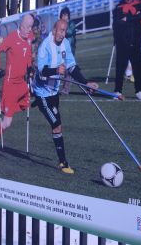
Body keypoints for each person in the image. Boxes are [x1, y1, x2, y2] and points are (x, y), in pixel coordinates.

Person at [32, 19, 98, 174]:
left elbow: (72, 67)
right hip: (42, 92)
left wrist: (85, 83)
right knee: (57, 124)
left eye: (64, 31)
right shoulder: (44, 46)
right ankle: (63, 163)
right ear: (54, 29)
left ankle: (39, 105)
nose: (62, 34)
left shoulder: (66, 44)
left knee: (57, 125)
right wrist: (56, 70)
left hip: (54, 92)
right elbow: (41, 72)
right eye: (60, 30)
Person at [0, 14, 35, 157]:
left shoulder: (30, 36)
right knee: (7, 122)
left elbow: (28, 54)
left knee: (30, 102)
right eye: (26, 27)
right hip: (10, 85)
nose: (28, 30)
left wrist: (30, 68)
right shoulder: (12, 37)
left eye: (30, 27)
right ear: (21, 25)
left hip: (22, 83)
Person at [112, 0, 141, 100]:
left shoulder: (139, 5)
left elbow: (139, 16)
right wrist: (130, 18)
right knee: (120, 67)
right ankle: (117, 91)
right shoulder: (118, 8)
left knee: (137, 67)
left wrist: (127, 18)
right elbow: (117, 22)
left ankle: (139, 90)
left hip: (135, 41)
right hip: (122, 42)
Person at [59, 7, 77, 95]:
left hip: (70, 50)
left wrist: (62, 30)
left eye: (66, 15)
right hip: (61, 50)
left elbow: (69, 32)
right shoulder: (59, 24)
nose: (64, 17)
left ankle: (66, 88)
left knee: (68, 69)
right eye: (63, 15)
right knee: (61, 68)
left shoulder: (71, 24)